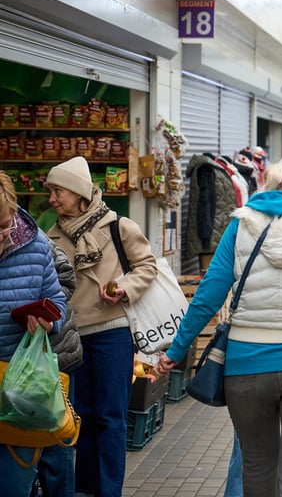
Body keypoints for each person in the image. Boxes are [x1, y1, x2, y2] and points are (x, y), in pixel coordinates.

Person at [156, 159, 282, 497]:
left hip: (247, 364)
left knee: (257, 468)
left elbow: (208, 294)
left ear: (267, 185)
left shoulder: (242, 224)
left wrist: (177, 350)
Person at [45, 156, 157, 497]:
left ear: (78, 192)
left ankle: (108, 491)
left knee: (111, 417)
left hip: (112, 332)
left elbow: (147, 266)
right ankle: (84, 489)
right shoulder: (50, 236)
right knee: (81, 416)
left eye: (58, 191)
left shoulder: (119, 227)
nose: (52, 199)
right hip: (71, 338)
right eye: (51, 191)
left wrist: (124, 287)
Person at [0, 172, 67, 496]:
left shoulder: (36, 244)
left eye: (4, 225)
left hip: (19, 385)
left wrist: (49, 321)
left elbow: (57, 300)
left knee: (14, 484)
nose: (1, 235)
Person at [31, 241, 82, 497]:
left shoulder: (32, 237)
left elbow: (66, 277)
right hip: (16, 356)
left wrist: (43, 309)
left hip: (52, 353)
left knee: (54, 439)